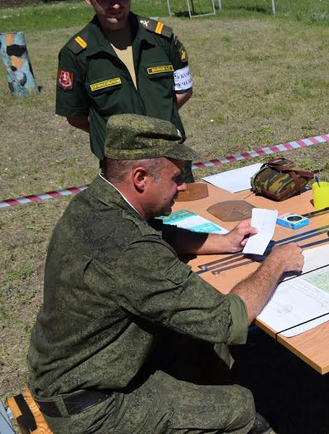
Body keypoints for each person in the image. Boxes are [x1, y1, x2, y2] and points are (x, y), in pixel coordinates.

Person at [27, 114, 304, 434]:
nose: (183, 185)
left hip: (66, 375)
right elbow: (229, 321)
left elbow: (157, 232)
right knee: (239, 407)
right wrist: (277, 262)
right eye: (175, 177)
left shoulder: (96, 202)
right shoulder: (133, 251)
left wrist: (224, 241)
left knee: (203, 346)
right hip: (93, 411)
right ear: (141, 177)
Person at [55, 0, 196, 182]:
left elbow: (183, 91)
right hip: (122, 168)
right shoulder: (77, 53)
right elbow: (76, 116)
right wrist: (121, 136)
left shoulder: (161, 38)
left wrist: (158, 123)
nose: (115, 5)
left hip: (171, 158)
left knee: (185, 210)